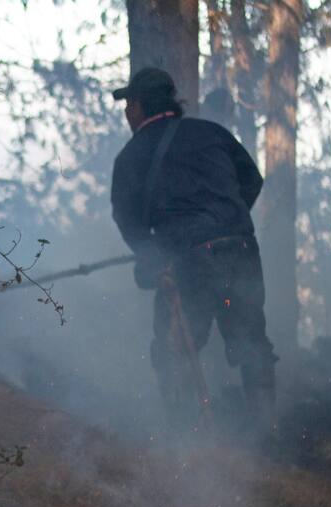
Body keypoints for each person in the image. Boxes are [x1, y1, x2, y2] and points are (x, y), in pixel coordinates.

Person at [110, 68, 277, 432]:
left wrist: (154, 258)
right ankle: (267, 434)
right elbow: (251, 179)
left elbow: (129, 223)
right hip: (240, 251)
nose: (126, 112)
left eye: (128, 104)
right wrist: (225, 225)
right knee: (252, 343)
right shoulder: (211, 133)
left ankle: (187, 442)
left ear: (138, 107)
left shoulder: (130, 158)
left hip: (187, 265)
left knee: (175, 351)